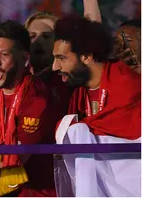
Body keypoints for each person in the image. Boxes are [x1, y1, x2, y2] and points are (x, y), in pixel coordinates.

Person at [0, 20, 57, 197]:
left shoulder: (36, 99)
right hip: (3, 191)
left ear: (24, 58)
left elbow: (10, 161)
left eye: (4, 55)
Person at [52, 15, 141, 197]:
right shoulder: (79, 91)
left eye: (61, 58)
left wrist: (76, 130)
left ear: (86, 56)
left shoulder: (125, 82)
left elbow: (123, 129)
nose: (55, 66)